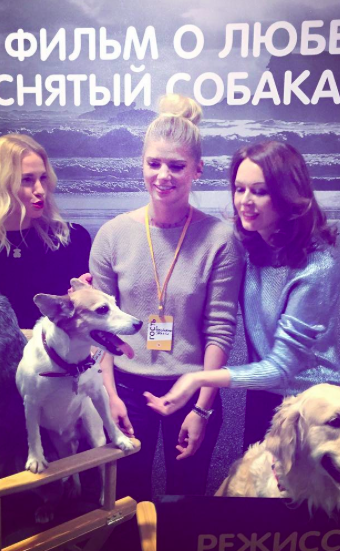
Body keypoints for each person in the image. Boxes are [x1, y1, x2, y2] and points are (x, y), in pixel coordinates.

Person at [89, 94, 244, 505]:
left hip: (193, 388)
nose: (163, 175)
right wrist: (109, 395)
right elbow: (99, 329)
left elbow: (220, 329)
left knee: (187, 502)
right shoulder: (112, 235)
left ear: (197, 169)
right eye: (153, 163)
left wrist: (202, 409)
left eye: (176, 166)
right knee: (126, 501)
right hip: (126, 386)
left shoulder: (220, 239)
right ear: (141, 163)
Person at [145, 141, 340, 451]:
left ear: (288, 196)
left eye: (260, 191)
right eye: (240, 189)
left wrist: (199, 379)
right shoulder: (251, 248)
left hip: (316, 405)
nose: (245, 201)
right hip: (263, 395)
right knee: (257, 480)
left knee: (295, 484)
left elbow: (282, 368)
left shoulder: (316, 267)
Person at [0, 134, 91, 329]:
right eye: (27, 180)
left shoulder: (72, 240)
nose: (40, 190)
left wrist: (81, 299)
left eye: (43, 178)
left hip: (58, 347)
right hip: (2, 348)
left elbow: (88, 318)